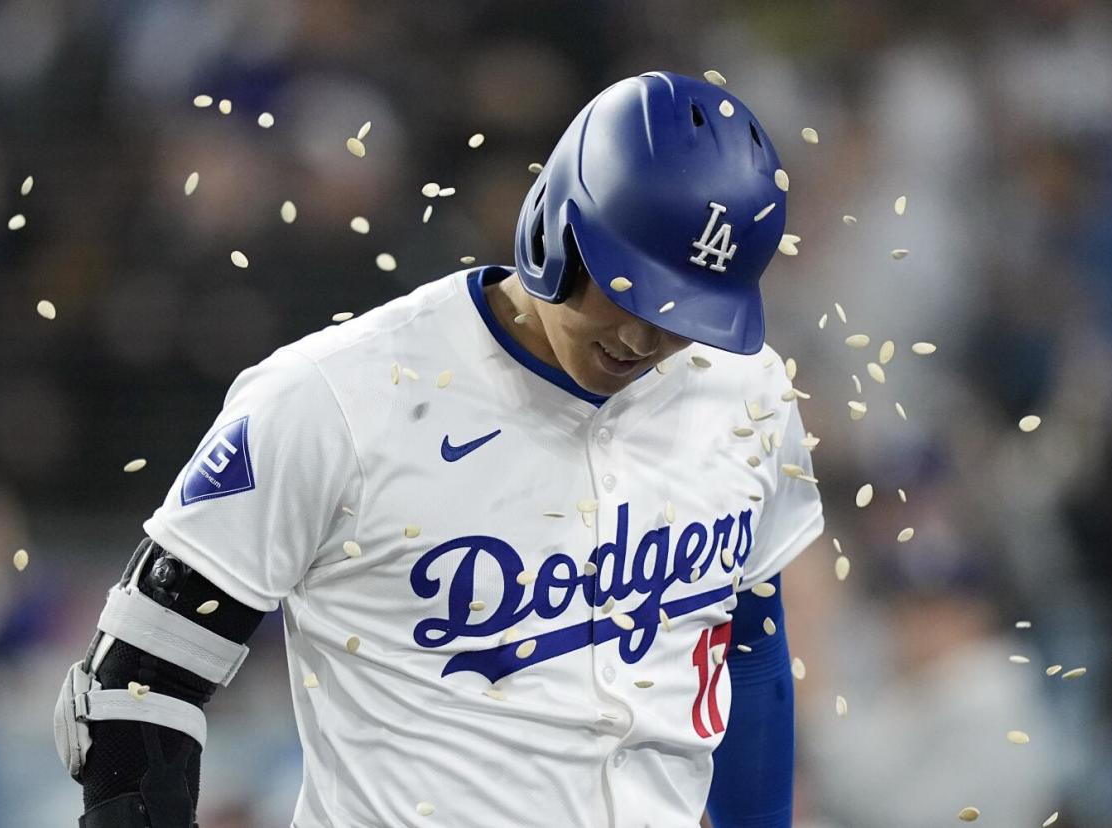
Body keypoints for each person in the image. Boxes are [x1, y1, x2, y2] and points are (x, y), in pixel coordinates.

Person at [53, 70, 824, 827]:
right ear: (555, 225)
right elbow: (135, 686)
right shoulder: (335, 396)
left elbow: (749, 655)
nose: (643, 336)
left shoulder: (744, 392)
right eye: (628, 289)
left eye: (683, 311)